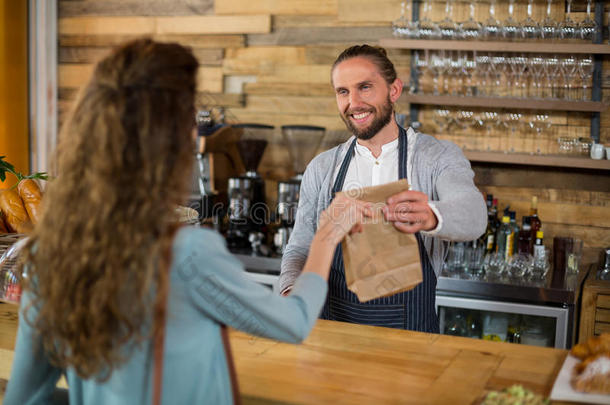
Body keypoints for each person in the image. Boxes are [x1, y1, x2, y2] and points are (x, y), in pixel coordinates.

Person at [5, 39, 371, 404]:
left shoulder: (48, 255)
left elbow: (25, 397)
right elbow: (294, 322)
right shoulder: (187, 253)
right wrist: (327, 234)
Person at [279, 44, 487, 332]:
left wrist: (430, 215)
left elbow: (475, 215)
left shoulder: (435, 157)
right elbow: (300, 247)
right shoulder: (323, 168)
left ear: (394, 90)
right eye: (343, 91)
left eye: (365, 87)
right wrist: (290, 292)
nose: (353, 102)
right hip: (334, 337)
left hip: (411, 339)